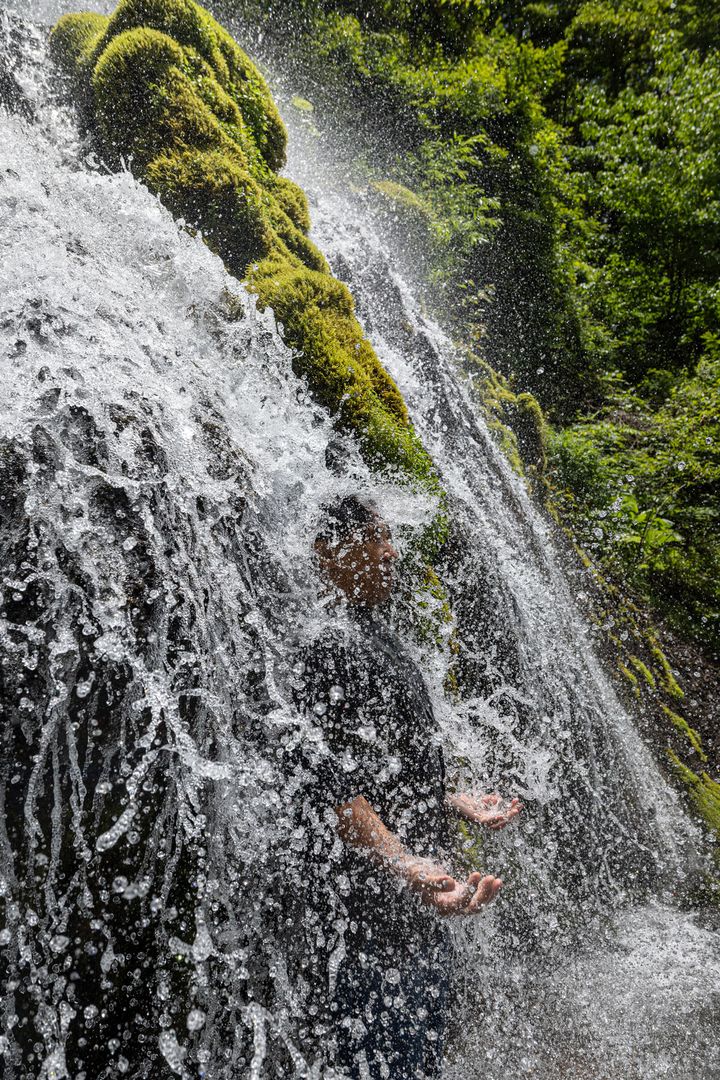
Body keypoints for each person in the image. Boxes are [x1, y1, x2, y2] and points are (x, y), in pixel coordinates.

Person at [291, 495, 522, 1080]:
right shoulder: (328, 648)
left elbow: (386, 772)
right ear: (328, 553)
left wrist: (451, 799)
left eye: (390, 537)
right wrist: (405, 864)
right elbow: (331, 789)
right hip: (362, 926)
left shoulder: (378, 638)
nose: (391, 551)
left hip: (416, 912)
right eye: (374, 537)